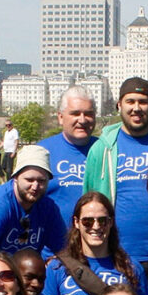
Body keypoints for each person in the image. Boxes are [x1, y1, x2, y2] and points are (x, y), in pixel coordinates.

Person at [84, 77, 148, 295]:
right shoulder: (100, 150)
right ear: (119, 105)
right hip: (116, 256)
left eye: (143, 101)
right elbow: (88, 203)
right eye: (130, 101)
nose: (137, 108)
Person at [0, 145, 66, 283]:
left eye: (41, 181)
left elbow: (66, 253)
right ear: (16, 177)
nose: (35, 186)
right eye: (29, 180)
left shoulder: (47, 207)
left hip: (15, 282)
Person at [39, 86, 98, 228]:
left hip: (97, 243)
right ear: (60, 117)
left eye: (88, 114)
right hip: (53, 247)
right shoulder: (42, 151)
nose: (82, 120)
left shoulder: (105, 150)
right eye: (75, 113)